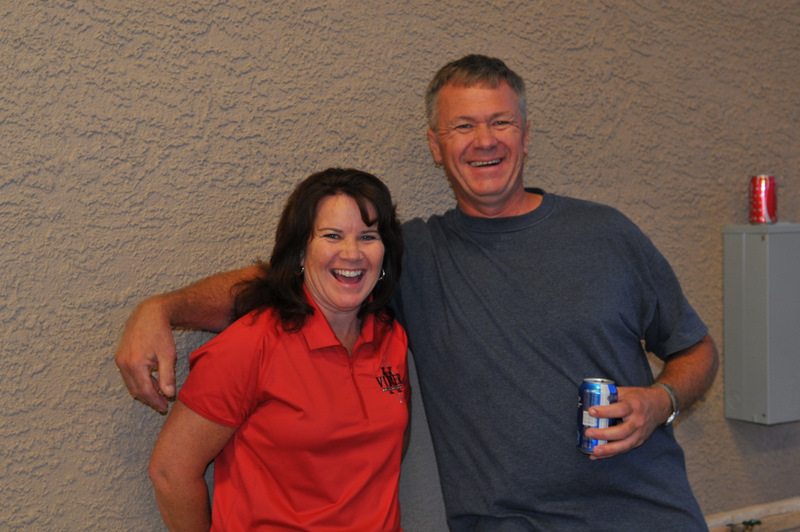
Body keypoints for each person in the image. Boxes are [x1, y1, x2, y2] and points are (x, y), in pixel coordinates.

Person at [118, 55, 719, 530]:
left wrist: (660, 401)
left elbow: (696, 350)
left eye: (501, 122)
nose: (485, 140)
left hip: (646, 516)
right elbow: (281, 284)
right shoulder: (411, 257)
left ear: (526, 135)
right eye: (463, 126)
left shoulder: (606, 234)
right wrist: (162, 310)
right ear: (436, 146)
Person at [147, 168, 408, 531]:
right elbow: (170, 472)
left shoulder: (391, 337)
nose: (352, 253)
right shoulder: (250, 345)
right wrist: (156, 309)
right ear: (300, 252)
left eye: (368, 236)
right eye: (332, 235)